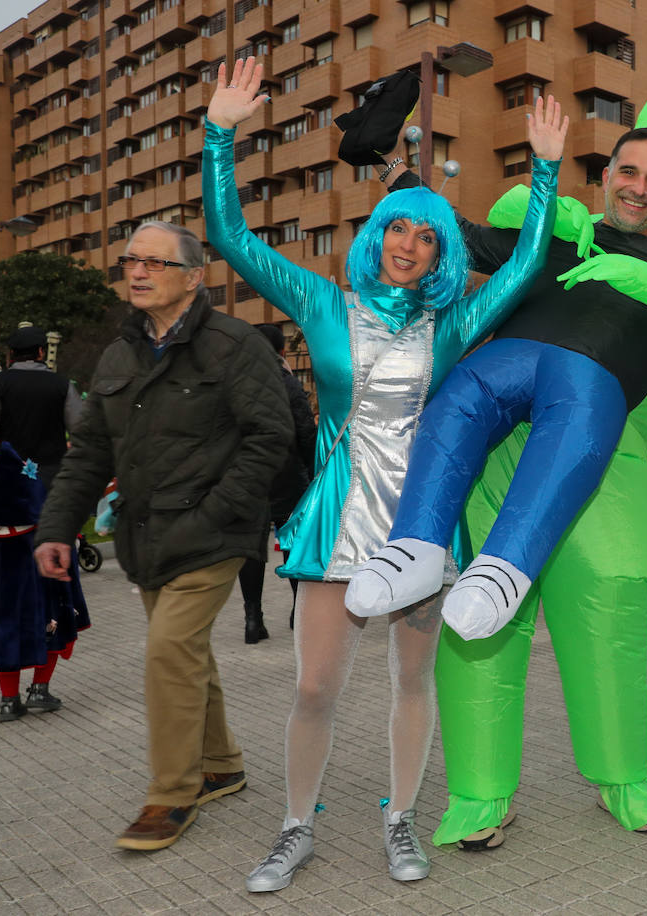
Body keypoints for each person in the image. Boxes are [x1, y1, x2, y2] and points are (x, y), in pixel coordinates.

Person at [200, 58, 561, 889]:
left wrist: (543, 172)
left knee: (413, 679)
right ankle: (296, 827)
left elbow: (527, 264)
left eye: (428, 235)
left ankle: (400, 820)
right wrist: (220, 136)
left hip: (423, 523)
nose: (410, 244)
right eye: (400, 227)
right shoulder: (325, 303)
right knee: (317, 686)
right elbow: (230, 239)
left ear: (439, 253)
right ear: (377, 234)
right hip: (338, 520)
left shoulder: (456, 319)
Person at [347, 126, 647, 643]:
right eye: (630, 172)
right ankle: (414, 545)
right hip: (507, 359)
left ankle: (505, 567)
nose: (640, 187)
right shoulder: (557, 232)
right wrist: (396, 173)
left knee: (579, 422)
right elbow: (463, 234)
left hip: (591, 379)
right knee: (456, 398)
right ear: (607, 175)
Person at [32, 214, 293, 851]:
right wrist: (58, 526)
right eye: (131, 262)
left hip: (213, 535)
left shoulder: (233, 345)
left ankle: (172, 794)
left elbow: (270, 437)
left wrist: (218, 511)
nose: (139, 272)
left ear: (194, 278)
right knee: (186, 656)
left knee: (168, 652)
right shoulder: (119, 355)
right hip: (146, 539)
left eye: (156, 262)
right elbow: (91, 451)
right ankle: (222, 763)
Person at [234, 323, 318, 644]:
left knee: (251, 550)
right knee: (292, 544)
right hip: (287, 478)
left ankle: (253, 620)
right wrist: (313, 477)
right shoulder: (289, 385)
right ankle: (300, 611)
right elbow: (307, 434)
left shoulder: (235, 383)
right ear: (282, 351)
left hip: (248, 479)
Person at [0, 440, 89, 721]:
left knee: (5, 628)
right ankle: (40, 688)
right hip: (36, 554)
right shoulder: (24, 472)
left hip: (3, 569)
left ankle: (9, 701)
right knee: (53, 620)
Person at [0, 324, 84, 492]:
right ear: (41, 352)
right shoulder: (62, 385)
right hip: (51, 474)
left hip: (10, 471)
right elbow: (81, 431)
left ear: (12, 353)